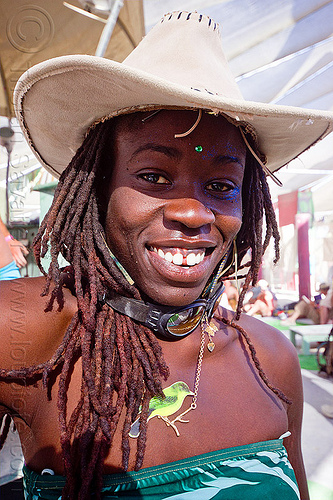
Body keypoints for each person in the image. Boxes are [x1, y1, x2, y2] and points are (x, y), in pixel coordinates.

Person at [1, 10, 332, 500]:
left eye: (221, 186)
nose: (194, 214)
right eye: (153, 176)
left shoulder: (271, 358)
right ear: (98, 190)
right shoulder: (27, 328)